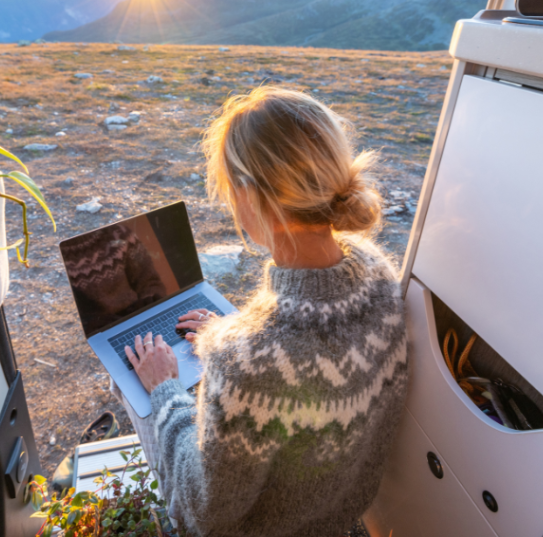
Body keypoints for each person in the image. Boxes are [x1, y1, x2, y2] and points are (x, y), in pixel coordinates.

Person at [113, 87, 408, 537]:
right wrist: (233, 333)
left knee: (133, 387)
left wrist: (166, 390)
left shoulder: (245, 360)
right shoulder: (380, 274)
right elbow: (309, 349)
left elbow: (203, 511)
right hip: (342, 520)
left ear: (249, 195)